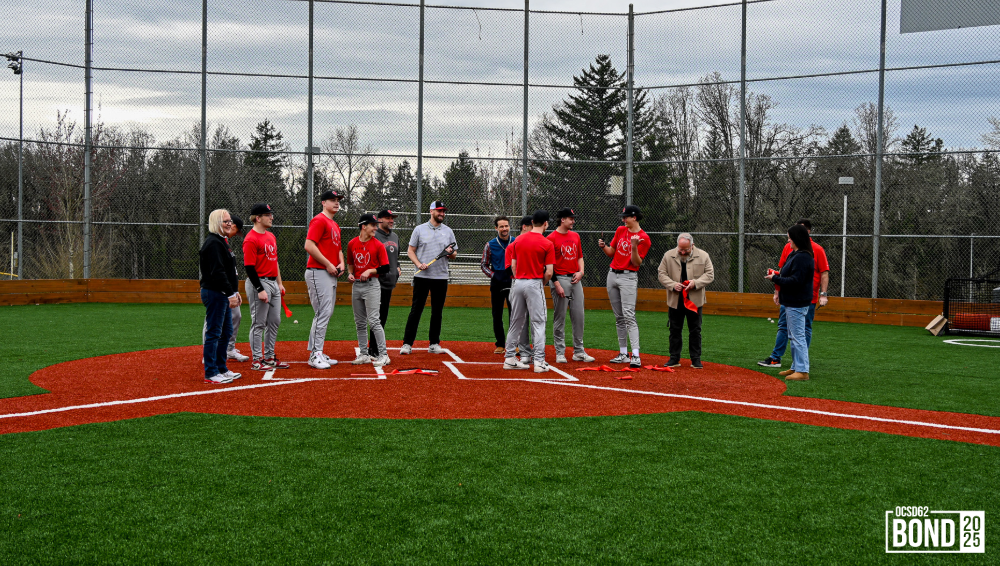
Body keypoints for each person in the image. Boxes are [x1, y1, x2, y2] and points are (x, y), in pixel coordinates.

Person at [758, 218, 830, 368]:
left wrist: (823, 294)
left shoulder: (812, 252)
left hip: (802, 298)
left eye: (793, 235)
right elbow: (785, 272)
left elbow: (820, 274)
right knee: (786, 329)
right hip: (790, 298)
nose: (789, 239)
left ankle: (800, 365)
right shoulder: (791, 251)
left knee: (801, 333)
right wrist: (777, 289)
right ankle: (780, 359)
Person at [598, 205, 652, 369]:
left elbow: (637, 263)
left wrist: (634, 246)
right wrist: (603, 247)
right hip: (612, 274)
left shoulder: (644, 238)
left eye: (626, 217)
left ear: (634, 217)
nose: (623, 219)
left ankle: (635, 355)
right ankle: (623, 353)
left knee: (629, 315)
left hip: (628, 276)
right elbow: (611, 252)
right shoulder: (621, 230)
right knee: (619, 317)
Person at [401, 201, 457, 355]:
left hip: (441, 277)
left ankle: (434, 343)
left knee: (437, 311)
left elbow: (453, 254)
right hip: (422, 276)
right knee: (416, 310)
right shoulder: (419, 230)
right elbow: (410, 251)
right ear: (431, 211)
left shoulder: (448, 231)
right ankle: (407, 344)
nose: (442, 214)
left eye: (443, 211)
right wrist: (418, 264)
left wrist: (450, 252)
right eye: (439, 211)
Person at [503, 210, 555, 373]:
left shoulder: (518, 240)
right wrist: (542, 283)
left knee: (516, 322)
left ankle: (509, 358)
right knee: (538, 322)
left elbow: (513, 265)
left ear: (532, 223)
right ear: (545, 223)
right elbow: (549, 272)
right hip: (534, 282)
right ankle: (539, 361)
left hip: (517, 282)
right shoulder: (547, 243)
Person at [656, 233, 715, 369]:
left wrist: (695, 283)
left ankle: (696, 359)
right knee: (675, 329)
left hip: (694, 301)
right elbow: (661, 273)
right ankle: (674, 358)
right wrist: (672, 285)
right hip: (675, 300)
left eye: (686, 250)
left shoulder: (704, 255)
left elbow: (710, 274)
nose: (683, 252)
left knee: (695, 330)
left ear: (692, 245)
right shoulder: (668, 255)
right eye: (680, 249)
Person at [765, 224, 815, 381]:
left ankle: (802, 370)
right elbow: (790, 274)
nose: (788, 240)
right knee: (794, 335)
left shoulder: (802, 257)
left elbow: (796, 281)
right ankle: (796, 367)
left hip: (797, 302)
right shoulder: (796, 254)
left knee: (798, 336)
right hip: (792, 301)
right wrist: (777, 274)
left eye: (790, 237)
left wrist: (775, 278)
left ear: (797, 239)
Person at [244, 203, 289, 371]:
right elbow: (249, 267)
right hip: (259, 282)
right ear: (258, 218)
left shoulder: (271, 236)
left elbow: (274, 261)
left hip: (272, 282)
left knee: (274, 320)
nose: (271, 217)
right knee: (259, 323)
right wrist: (259, 289)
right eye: (267, 215)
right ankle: (257, 359)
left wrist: (279, 283)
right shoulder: (251, 238)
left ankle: (269, 356)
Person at [304, 190, 346, 369]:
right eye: (332, 200)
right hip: (318, 271)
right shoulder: (319, 220)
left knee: (324, 313)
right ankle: (315, 354)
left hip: (329, 272)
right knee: (323, 312)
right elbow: (309, 245)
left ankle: (318, 351)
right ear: (323, 202)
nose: (336, 203)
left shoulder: (334, 225)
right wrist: (329, 264)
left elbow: (338, 249)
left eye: (338, 200)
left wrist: (341, 263)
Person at [200, 209, 242, 384]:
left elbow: (230, 271)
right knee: (215, 332)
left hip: (223, 292)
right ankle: (211, 372)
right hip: (215, 292)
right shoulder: (213, 243)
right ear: (217, 223)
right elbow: (217, 273)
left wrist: (235, 291)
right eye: (225, 221)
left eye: (230, 221)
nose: (229, 224)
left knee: (225, 332)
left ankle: (221, 368)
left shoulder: (222, 242)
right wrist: (230, 292)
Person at [547, 208, 594, 363]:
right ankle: (560, 352)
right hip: (560, 279)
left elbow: (580, 257)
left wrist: (581, 272)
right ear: (562, 219)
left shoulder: (575, 236)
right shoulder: (551, 238)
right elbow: (549, 265)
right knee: (560, 317)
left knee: (579, 316)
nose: (573, 221)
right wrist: (556, 284)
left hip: (575, 279)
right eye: (570, 218)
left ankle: (579, 351)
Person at [347, 213, 392, 366]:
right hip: (357, 285)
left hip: (372, 285)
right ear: (363, 226)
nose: (375, 227)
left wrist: (371, 271)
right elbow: (351, 262)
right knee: (359, 322)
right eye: (372, 225)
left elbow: (385, 268)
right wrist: (351, 274)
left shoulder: (378, 245)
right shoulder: (352, 243)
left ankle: (383, 354)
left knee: (374, 321)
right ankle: (364, 354)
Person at [367, 209, 401, 358]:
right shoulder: (374, 236)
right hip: (376, 282)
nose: (391, 220)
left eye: (392, 218)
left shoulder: (395, 236)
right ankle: (372, 348)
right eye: (388, 218)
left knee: (383, 316)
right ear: (379, 220)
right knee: (376, 317)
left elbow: (395, 257)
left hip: (389, 283)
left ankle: (375, 347)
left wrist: (398, 268)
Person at [481, 215, 514, 355]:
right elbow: (483, 265)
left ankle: (514, 344)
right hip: (497, 282)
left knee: (515, 314)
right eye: (501, 226)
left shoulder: (516, 242)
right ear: (496, 228)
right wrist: (494, 275)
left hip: (513, 281)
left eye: (506, 226)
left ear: (509, 227)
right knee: (497, 314)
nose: (504, 228)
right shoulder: (490, 245)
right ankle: (500, 344)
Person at [506, 215, 536, 362]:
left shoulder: (535, 243)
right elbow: (509, 267)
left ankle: (534, 353)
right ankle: (524, 352)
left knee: (535, 319)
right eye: (531, 226)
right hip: (519, 283)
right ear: (525, 227)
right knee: (522, 320)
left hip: (531, 282)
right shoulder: (514, 244)